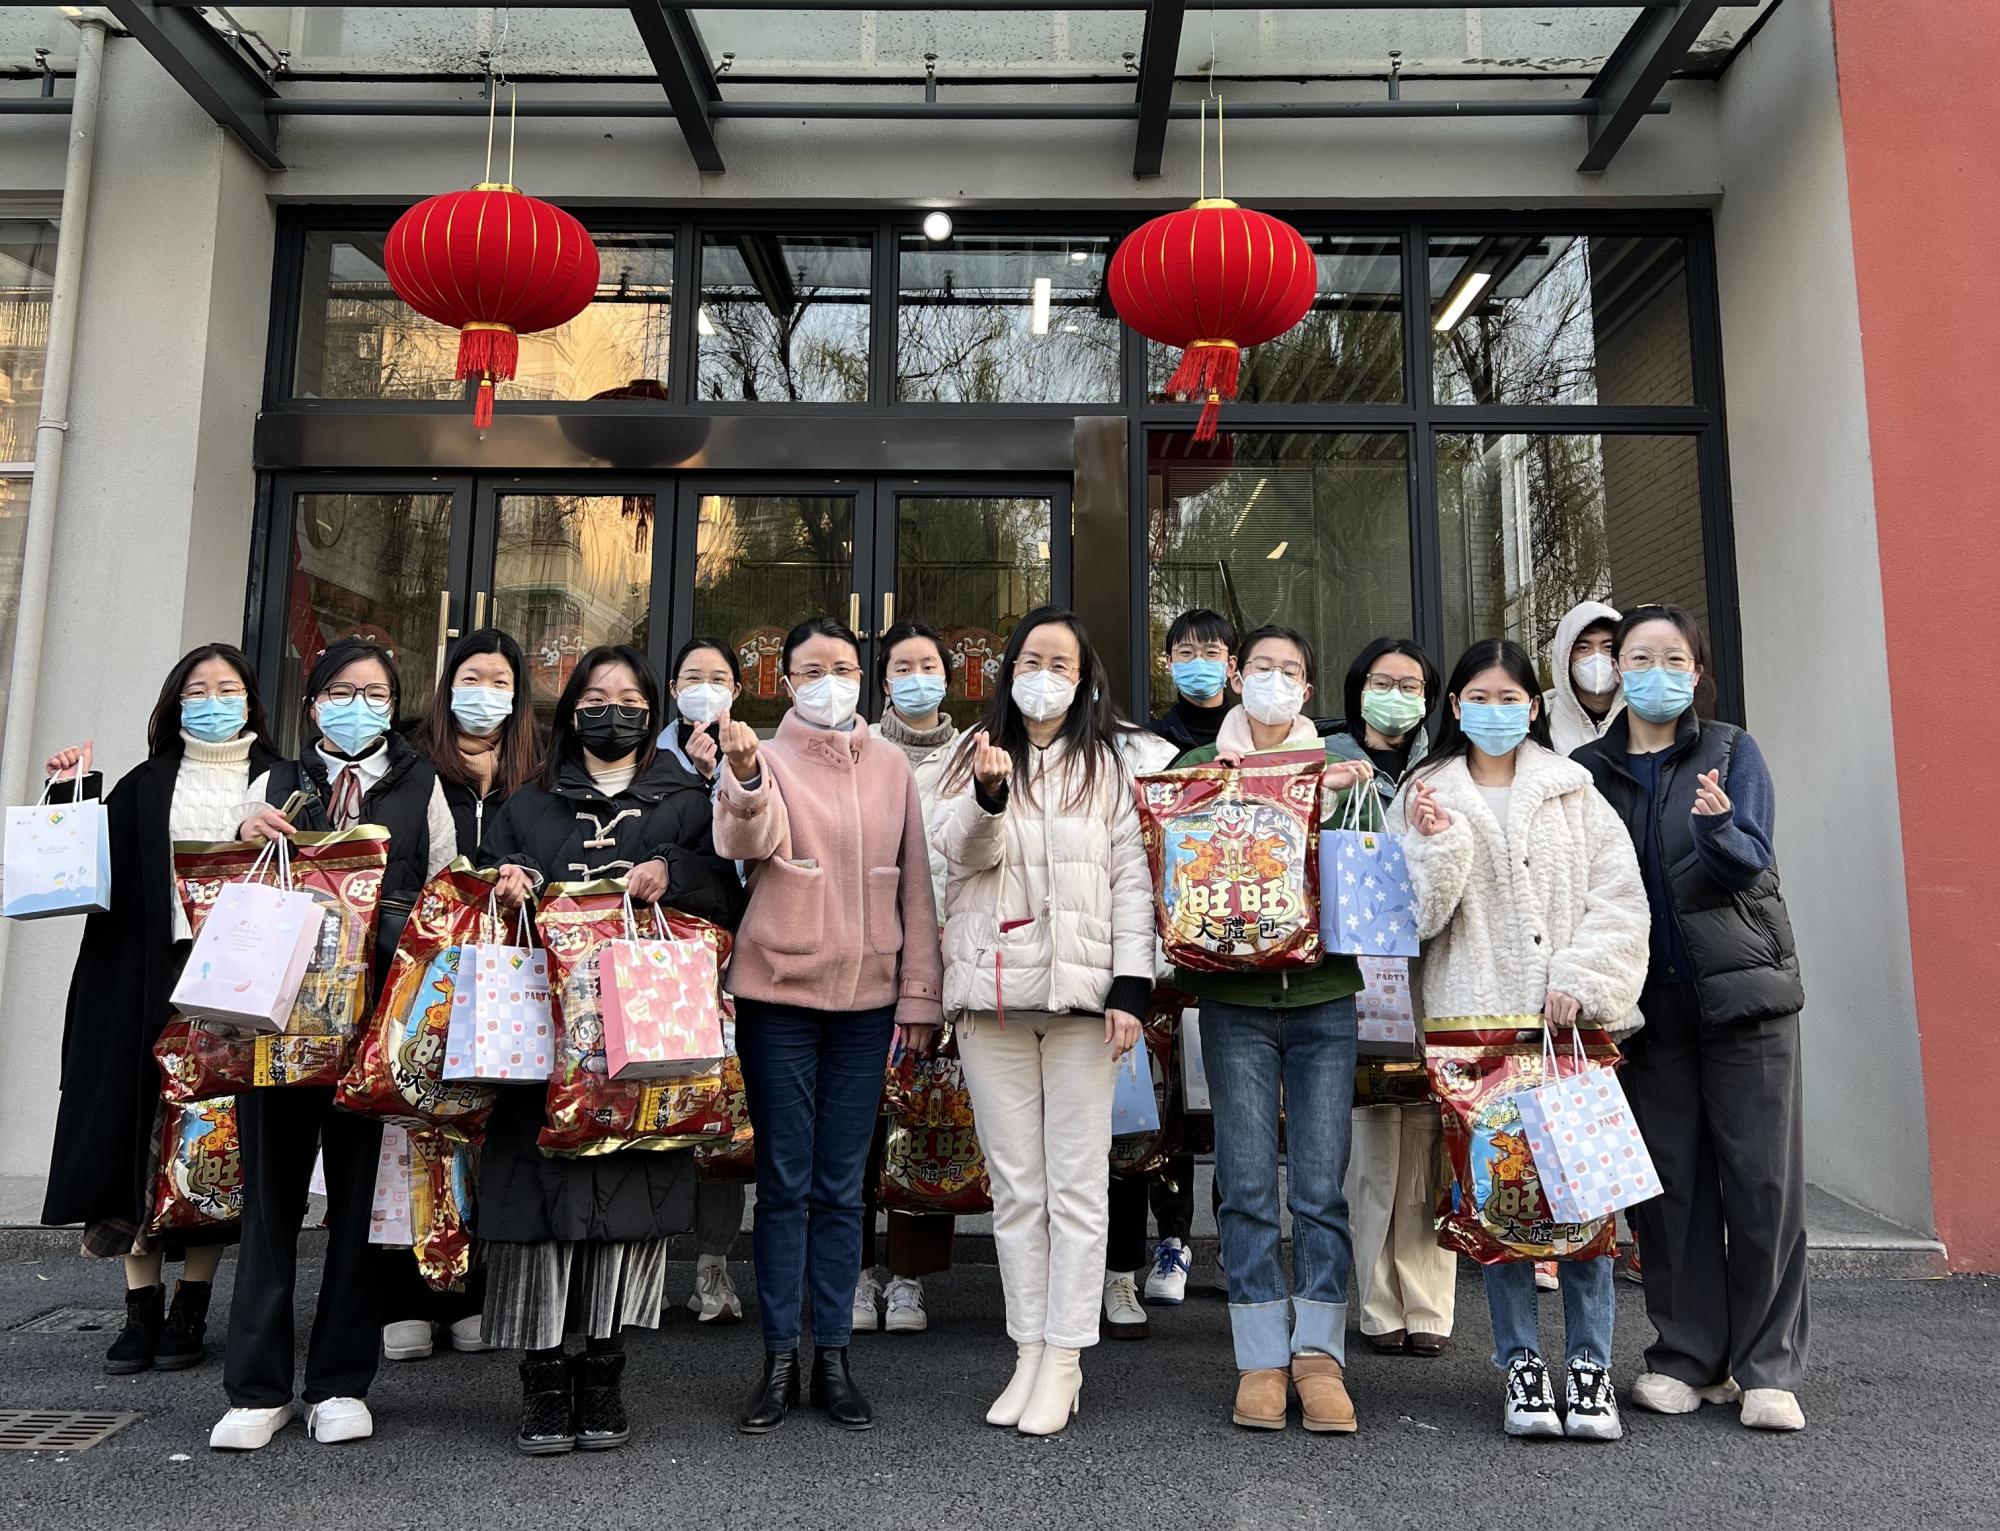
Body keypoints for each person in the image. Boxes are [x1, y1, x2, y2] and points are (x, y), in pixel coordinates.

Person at [479, 643, 746, 1455]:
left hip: (645, 1037)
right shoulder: (527, 802)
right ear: (572, 711)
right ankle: (540, 1376)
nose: (613, 710)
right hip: (543, 1038)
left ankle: (604, 1370)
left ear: (650, 711)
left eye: (630, 699)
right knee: (536, 1201)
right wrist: (509, 882)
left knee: (628, 1203)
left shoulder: (686, 799)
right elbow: (485, 877)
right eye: (596, 696)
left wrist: (671, 868)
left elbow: (727, 893)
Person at [1392, 637, 1650, 1442]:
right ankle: (1521, 1365)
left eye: (1510, 698)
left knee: (1586, 1203)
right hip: (1473, 1029)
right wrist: (1436, 842)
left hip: (1565, 1031)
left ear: (1533, 706)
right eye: (1479, 697)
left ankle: (1590, 1365)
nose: (1495, 710)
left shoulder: (1574, 790)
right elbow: (1413, 919)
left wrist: (1583, 975)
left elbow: (1621, 898)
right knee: (1500, 1207)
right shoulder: (1425, 790)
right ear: (1455, 705)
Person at [213, 638, 457, 1451]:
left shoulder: (422, 783)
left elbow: (445, 894)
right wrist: (245, 829)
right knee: (270, 1204)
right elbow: (225, 887)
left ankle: (340, 1382)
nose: (360, 705)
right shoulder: (275, 778)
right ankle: (256, 1388)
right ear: (313, 701)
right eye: (343, 691)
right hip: (278, 1025)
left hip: (373, 1024)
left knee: (357, 1208)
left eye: (376, 692)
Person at [1571, 605, 1810, 1434]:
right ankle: (1686, 1357)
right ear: (1614, 669)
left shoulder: (1732, 751)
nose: (1655, 672)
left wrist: (1717, 830)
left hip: (1745, 999)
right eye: (1638, 657)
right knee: (1669, 1189)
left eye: (1674, 659)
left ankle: (1767, 1366)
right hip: (1649, 1009)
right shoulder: (1588, 769)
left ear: (1698, 672)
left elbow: (1752, 861)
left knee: (1762, 1183)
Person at [712, 615, 944, 1435]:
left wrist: (920, 995)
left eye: (843, 667)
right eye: (811, 670)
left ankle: (834, 1357)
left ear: (863, 677)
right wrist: (745, 775)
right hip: (778, 996)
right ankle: (779, 1357)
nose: (829, 682)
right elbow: (744, 839)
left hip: (868, 1002)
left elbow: (915, 885)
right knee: (784, 1182)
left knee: (844, 1186)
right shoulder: (764, 754)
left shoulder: (892, 766)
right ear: (785, 680)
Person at [928, 606, 1153, 1437]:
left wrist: (1132, 987)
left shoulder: (1107, 766)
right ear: (1009, 669)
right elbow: (956, 854)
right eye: (1032, 659)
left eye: (1062, 663)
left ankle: (1066, 1356)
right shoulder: (973, 752)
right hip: (992, 998)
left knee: (1078, 1189)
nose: (1045, 676)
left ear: (1085, 678)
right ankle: (1027, 1348)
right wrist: (988, 795)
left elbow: (1131, 877)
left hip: (1084, 1003)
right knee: (1018, 1190)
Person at [40, 646, 280, 1377]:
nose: (213, 701)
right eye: (197, 691)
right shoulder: (143, 785)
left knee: (214, 1136)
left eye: (228, 688)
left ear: (251, 701)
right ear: (175, 705)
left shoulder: (281, 780)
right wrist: (67, 794)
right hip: (143, 976)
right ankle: (139, 1304)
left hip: (239, 981)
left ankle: (191, 1303)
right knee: (134, 1128)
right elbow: (75, 875)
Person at [1167, 626, 1374, 1434]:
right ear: (1234, 674)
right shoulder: (1196, 766)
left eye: (1291, 670)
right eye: (1261, 666)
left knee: (1321, 1186)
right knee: (1247, 1184)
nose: (1274, 679)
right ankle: (1258, 1355)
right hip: (1236, 1002)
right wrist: (1216, 792)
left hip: (1324, 995)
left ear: (1309, 690)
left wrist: (1351, 793)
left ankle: (1319, 1355)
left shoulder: (1342, 763)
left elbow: (1376, 865)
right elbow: (1169, 864)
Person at [378, 628, 544, 1365]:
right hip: (422, 968)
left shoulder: (539, 769)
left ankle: (473, 1291)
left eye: (500, 681)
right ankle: (404, 1294)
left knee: (487, 1125)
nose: (486, 693)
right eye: (472, 678)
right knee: (411, 1123)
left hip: (506, 972)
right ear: (448, 686)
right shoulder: (410, 761)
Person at [1101, 608, 1241, 1327]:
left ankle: (1226, 1244)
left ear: (1233, 663)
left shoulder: (1253, 737)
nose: (1198, 663)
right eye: (1185, 652)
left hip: (1235, 944)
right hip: (1164, 949)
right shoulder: (1150, 746)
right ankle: (1170, 1241)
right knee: (1162, 1105)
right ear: (1166, 661)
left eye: (1210, 651)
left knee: (1223, 1107)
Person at [1323, 637, 1459, 1360]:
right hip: (1360, 974)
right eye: (1383, 682)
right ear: (1358, 689)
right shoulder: (1328, 763)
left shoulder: (1448, 770)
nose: (1397, 696)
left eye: (1412, 685)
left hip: (1433, 972)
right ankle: (1378, 1303)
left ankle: (1429, 1300)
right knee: (1373, 1141)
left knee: (1429, 1142)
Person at [853, 619, 962, 1336]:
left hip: (945, 956)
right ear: (884, 680)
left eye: (929, 665)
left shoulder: (975, 754)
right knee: (859, 1122)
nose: (917, 677)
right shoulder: (858, 749)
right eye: (902, 666)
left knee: (927, 1117)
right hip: (865, 956)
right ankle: (856, 1271)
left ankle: (909, 1279)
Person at [660, 635, 751, 1328]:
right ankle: (636, 1262)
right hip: (657, 960)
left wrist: (721, 775)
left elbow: (755, 855)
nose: (705, 687)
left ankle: (713, 1263)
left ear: (737, 691)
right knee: (654, 1100)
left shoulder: (752, 753)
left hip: (731, 953)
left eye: (718, 678)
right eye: (693, 676)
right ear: (672, 689)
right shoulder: (647, 755)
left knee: (723, 1111)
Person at [1545, 600, 1624, 756]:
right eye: (1583, 648)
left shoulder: (1641, 716)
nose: (1596, 658)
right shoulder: (1540, 719)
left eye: (1608, 647)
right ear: (1566, 656)